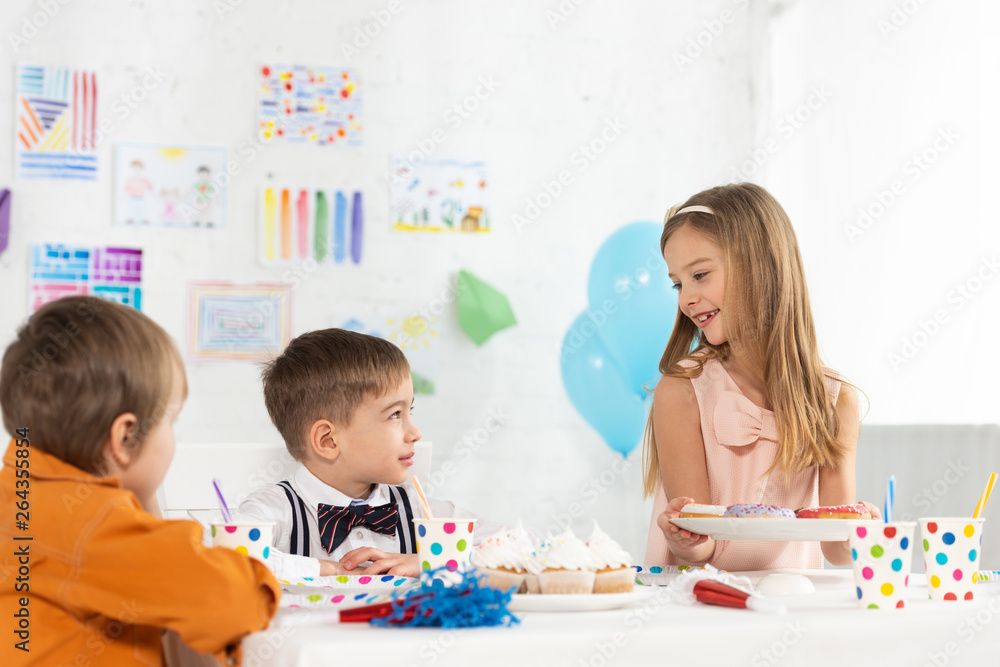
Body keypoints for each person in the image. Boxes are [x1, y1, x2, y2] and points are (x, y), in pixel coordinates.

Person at [0, 296, 279, 666]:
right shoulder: (94, 525)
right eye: (170, 421)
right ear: (125, 438)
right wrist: (257, 576)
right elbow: (234, 602)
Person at [643, 183, 878, 572]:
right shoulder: (683, 392)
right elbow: (698, 549)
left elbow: (836, 549)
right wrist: (685, 537)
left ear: (759, 266)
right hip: (698, 605)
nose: (685, 298)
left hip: (790, 608)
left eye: (700, 274)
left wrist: (864, 532)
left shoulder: (835, 400)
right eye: (678, 283)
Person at [237, 328, 497, 580]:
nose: (415, 432)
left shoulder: (421, 511)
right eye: (395, 414)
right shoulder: (278, 509)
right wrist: (330, 570)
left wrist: (434, 561)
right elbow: (226, 555)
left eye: (410, 411)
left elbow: (526, 548)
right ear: (328, 441)